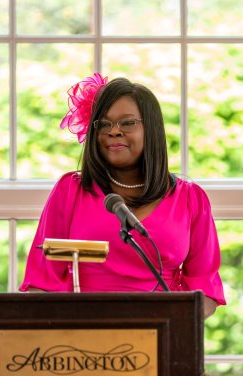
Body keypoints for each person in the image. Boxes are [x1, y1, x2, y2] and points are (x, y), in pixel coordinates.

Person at [19, 73, 225, 318]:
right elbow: (41, 283)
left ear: (152, 129)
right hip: (82, 330)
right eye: (104, 124)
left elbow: (205, 291)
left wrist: (168, 324)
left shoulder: (190, 199)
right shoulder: (70, 191)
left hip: (161, 330)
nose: (114, 131)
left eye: (127, 123)